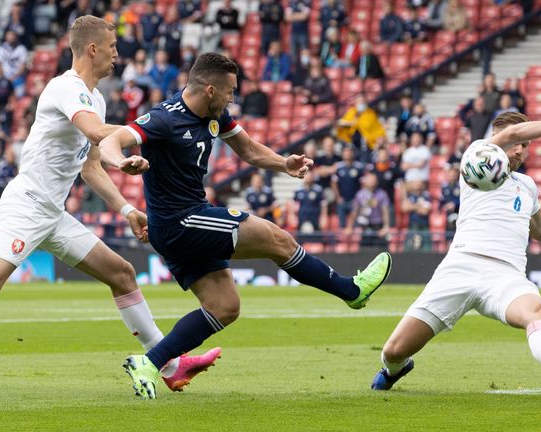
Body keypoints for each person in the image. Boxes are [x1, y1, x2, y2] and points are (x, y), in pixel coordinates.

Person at [0, 16, 218, 399]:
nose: (116, 55)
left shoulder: (98, 99)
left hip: (53, 214)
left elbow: (89, 164)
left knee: (122, 273)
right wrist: (151, 133)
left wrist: (125, 208)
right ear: (92, 49)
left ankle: (168, 366)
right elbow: (95, 132)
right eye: (111, 47)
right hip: (28, 206)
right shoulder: (65, 88)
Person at [100, 52, 393, 399]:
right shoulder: (164, 119)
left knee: (225, 307)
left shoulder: (215, 114)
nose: (232, 98)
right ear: (209, 89)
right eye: (229, 91)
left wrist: (284, 164)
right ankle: (351, 291)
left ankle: (149, 363)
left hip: (186, 223)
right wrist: (123, 162)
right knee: (275, 237)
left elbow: (250, 150)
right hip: (180, 222)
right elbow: (109, 141)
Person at [371, 113, 541, 400]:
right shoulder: (477, 157)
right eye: (515, 142)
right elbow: (510, 136)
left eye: (525, 145)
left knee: (536, 313)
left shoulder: (527, 186)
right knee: (393, 351)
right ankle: (394, 371)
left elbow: (539, 230)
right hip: (460, 267)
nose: (519, 149)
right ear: (497, 141)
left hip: (506, 275)